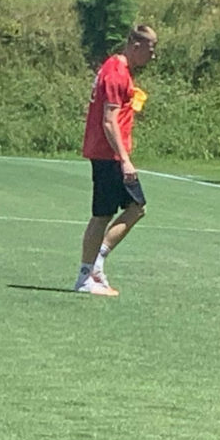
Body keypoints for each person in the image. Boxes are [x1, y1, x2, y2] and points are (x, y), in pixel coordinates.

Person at [75, 23, 158, 296]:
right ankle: (90, 270)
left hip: (109, 152)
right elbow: (108, 121)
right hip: (108, 153)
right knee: (125, 209)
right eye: (150, 49)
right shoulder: (116, 73)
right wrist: (125, 160)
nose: (153, 56)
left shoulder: (117, 69)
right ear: (136, 46)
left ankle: (92, 269)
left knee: (115, 211)